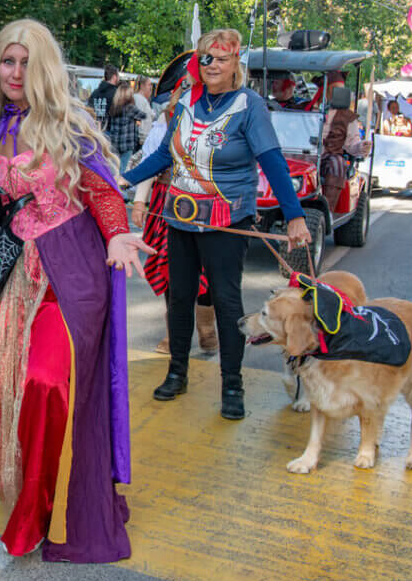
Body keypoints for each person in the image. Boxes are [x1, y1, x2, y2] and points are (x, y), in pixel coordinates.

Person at [0, 19, 153, 561]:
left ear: (46, 68)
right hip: (12, 274)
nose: (15, 72)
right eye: (7, 61)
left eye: (26, 62)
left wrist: (120, 232)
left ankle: (37, 515)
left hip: (71, 273)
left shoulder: (67, 121)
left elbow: (101, 188)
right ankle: (30, 494)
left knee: (46, 382)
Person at [123, 28, 312, 420]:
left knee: (226, 301)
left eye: (222, 59)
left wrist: (294, 215)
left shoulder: (249, 105)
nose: (212, 66)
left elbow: (272, 160)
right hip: (180, 218)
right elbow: (164, 154)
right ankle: (177, 372)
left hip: (227, 222)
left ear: (235, 64)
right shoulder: (186, 101)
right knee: (179, 297)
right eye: (206, 58)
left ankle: (232, 385)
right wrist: (125, 179)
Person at [131, 76, 217, 355]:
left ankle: (206, 327)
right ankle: (175, 335)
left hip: (203, 201)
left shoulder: (219, 117)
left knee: (205, 267)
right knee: (170, 270)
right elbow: (151, 161)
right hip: (166, 200)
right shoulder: (168, 119)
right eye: (186, 86)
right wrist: (140, 201)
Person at [108, 81, 147, 177]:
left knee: (115, 168)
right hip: (127, 144)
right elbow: (144, 115)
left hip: (114, 143)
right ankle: (120, 190)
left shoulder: (114, 107)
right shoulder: (130, 108)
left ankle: (114, 187)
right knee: (123, 170)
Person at [87, 63, 119, 131]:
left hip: (94, 130)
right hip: (110, 132)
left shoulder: (94, 93)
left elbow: (88, 111)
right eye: (118, 76)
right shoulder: (117, 93)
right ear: (114, 77)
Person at [132, 76, 155, 142]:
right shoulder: (138, 98)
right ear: (142, 86)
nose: (151, 87)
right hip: (141, 137)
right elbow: (138, 120)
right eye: (149, 85)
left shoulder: (143, 99)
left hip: (145, 136)